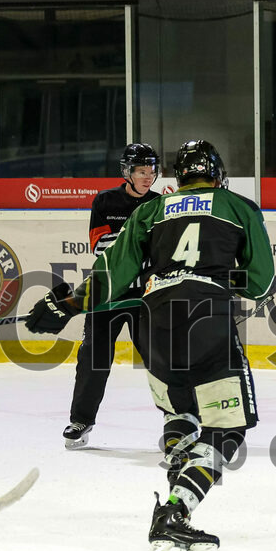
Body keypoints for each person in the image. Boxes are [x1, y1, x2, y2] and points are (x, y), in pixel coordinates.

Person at [26, 140, 276, 551]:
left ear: (179, 178)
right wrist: (217, 276)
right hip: (206, 317)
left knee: (180, 407)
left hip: (155, 321)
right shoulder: (238, 206)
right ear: (216, 176)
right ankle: (173, 516)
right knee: (228, 427)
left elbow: (110, 277)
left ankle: (179, 455)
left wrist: (65, 306)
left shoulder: (149, 211)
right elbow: (261, 284)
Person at [61, 143, 161, 449]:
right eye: (142, 171)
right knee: (93, 356)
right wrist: (138, 243)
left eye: (152, 171)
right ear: (127, 172)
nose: (148, 177)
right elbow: (100, 248)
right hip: (107, 293)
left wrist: (135, 249)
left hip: (145, 296)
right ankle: (81, 420)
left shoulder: (160, 204)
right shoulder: (105, 201)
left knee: (161, 358)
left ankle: (179, 421)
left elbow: (160, 252)